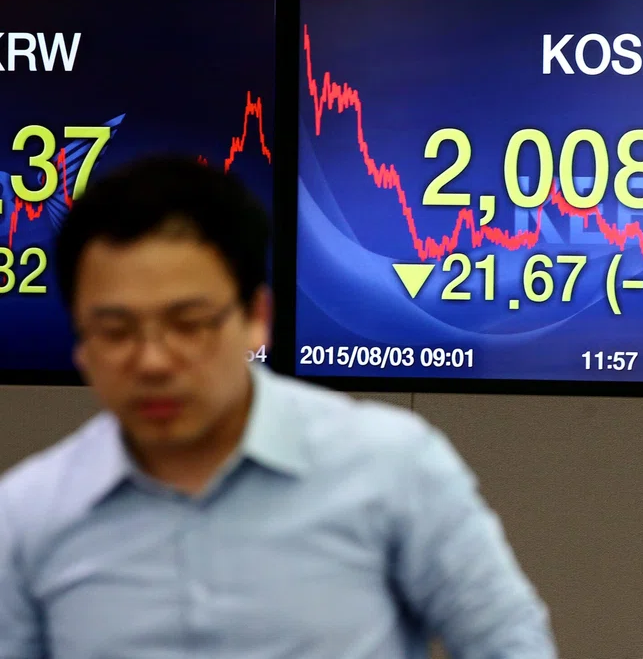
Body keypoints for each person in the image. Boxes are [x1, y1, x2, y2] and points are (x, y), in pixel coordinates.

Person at [0, 157, 556, 658]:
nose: (153, 361)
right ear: (81, 342)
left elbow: (510, 644)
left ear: (256, 317)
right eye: (116, 330)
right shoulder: (29, 516)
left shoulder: (393, 468)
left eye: (188, 324)